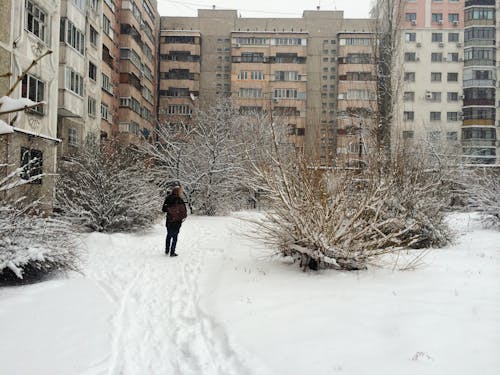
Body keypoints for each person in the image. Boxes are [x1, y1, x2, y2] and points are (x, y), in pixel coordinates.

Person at [162, 186, 187, 256]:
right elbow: (184, 212)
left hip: (169, 220)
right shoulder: (179, 200)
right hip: (177, 221)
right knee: (175, 236)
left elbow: (163, 209)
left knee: (169, 235)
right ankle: (172, 252)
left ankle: (167, 250)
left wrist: (169, 209)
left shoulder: (168, 198)